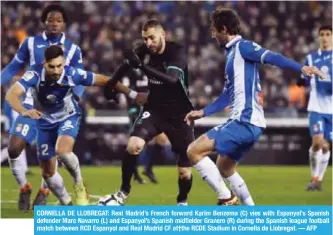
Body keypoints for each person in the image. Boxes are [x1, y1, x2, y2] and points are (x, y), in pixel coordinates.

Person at [185, 8, 325, 205]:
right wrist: (202, 112)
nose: (212, 34)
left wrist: (301, 68)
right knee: (224, 166)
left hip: (244, 120)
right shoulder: (232, 55)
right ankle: (252, 213)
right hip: (251, 123)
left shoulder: (243, 47)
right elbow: (227, 95)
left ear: (224, 29)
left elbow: (272, 57)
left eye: (214, 30)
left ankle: (226, 198)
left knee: (193, 151)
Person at [5, 45, 143, 206]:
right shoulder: (34, 73)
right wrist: (23, 111)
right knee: (48, 172)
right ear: (44, 63)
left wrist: (133, 94)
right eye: (52, 67)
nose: (56, 71)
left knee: (62, 151)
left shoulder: (72, 74)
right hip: (45, 122)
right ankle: (66, 203)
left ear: (63, 62)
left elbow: (106, 80)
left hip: (68, 116)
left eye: (59, 65)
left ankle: (79, 184)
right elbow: (12, 94)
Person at [0, 4, 86, 210]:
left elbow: (81, 76)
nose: (54, 24)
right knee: (14, 148)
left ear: (64, 23)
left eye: (58, 20)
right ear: (44, 22)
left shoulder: (73, 49)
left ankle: (46, 189)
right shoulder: (30, 43)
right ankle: (24, 186)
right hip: (31, 105)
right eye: (50, 20)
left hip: (58, 109)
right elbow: (14, 66)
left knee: (52, 153)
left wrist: (77, 95)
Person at [106, 19, 194, 205]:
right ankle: (123, 192)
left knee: (184, 172)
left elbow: (171, 79)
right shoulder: (145, 51)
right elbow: (126, 65)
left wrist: (142, 66)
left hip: (180, 114)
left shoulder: (177, 51)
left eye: (152, 38)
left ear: (163, 34)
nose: (148, 43)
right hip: (155, 109)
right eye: (145, 39)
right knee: (133, 145)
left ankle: (182, 202)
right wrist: (111, 84)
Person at [123, 68, 175, 184]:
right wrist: (131, 107)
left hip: (152, 109)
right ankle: (135, 173)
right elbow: (125, 90)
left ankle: (148, 169)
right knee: (137, 143)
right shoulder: (129, 72)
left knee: (161, 140)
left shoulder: (152, 70)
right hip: (136, 109)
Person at [297, 25, 332, 191]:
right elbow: (302, 81)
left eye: (328, 34)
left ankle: (318, 180)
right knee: (317, 142)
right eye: (322, 34)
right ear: (319, 37)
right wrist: (303, 79)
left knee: (326, 146)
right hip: (316, 106)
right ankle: (313, 177)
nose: (325, 37)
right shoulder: (310, 58)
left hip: (331, 109)